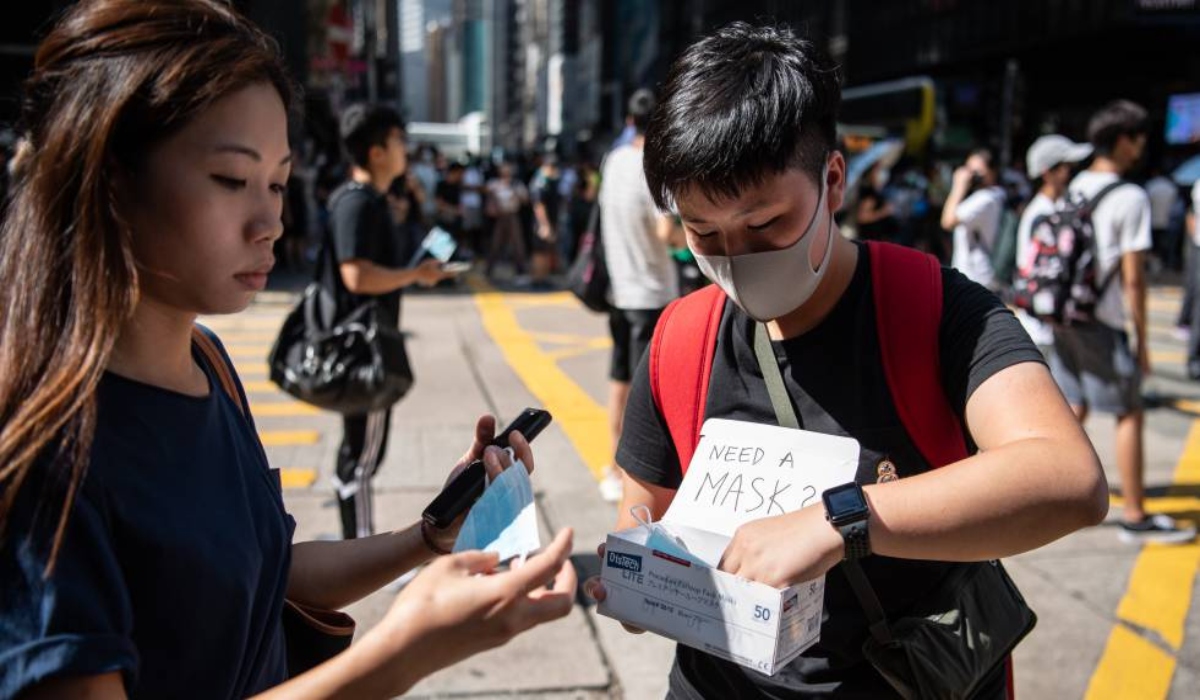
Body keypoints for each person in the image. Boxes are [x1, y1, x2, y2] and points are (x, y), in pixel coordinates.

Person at [0, 2, 577, 697]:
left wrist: (427, 537)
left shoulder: (208, 363)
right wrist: (401, 652)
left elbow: (268, 571)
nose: (271, 220)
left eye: (277, 182)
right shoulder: (41, 449)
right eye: (232, 180)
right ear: (112, 179)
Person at [585, 22, 1108, 698]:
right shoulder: (682, 337)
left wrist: (840, 521)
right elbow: (644, 505)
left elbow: (1067, 478)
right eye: (703, 233)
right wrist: (643, 576)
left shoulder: (934, 310)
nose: (736, 258)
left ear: (832, 181)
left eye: (765, 224)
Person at [1049, 100, 1194, 544]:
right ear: (1124, 140)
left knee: (1072, 406)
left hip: (1063, 313)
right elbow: (1133, 279)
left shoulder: (1076, 185)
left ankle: (1047, 491)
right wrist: (1143, 342)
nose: (1142, 147)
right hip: (1103, 319)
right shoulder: (1130, 195)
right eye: (1139, 138)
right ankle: (1134, 515)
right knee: (1129, 412)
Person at [327, 104, 456, 540]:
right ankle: (359, 546)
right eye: (399, 141)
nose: (406, 149)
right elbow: (356, 276)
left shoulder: (373, 201)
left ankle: (355, 541)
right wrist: (415, 275)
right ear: (377, 151)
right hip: (365, 350)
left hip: (368, 343)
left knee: (358, 452)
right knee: (362, 458)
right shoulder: (357, 203)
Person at [597, 88, 680, 503]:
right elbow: (667, 233)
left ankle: (612, 467)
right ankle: (636, 477)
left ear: (629, 121)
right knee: (650, 396)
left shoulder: (613, 161)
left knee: (619, 383)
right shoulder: (656, 168)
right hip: (651, 294)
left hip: (619, 290)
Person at [1015, 134, 1095, 353]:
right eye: (1066, 167)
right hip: (1041, 328)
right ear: (1047, 173)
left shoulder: (1054, 209)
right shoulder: (1042, 215)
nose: (1070, 173)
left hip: (1047, 323)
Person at [940, 147, 1008, 289]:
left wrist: (958, 187)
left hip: (975, 277)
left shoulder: (985, 198)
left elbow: (947, 221)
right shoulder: (996, 196)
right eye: (969, 171)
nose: (971, 177)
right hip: (978, 276)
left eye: (977, 172)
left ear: (992, 172)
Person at [485, 161, 530, 281]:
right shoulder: (494, 184)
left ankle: (521, 271)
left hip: (512, 215)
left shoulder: (517, 184)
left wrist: (517, 195)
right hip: (500, 217)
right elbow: (487, 197)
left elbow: (526, 200)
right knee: (495, 244)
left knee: (517, 244)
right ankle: (489, 270)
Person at [1146, 167, 1180, 271]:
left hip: (1153, 221)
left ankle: (1155, 267)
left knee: (1154, 247)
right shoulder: (1171, 187)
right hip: (1169, 222)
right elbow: (1176, 206)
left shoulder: (1151, 185)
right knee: (1167, 247)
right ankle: (1167, 265)